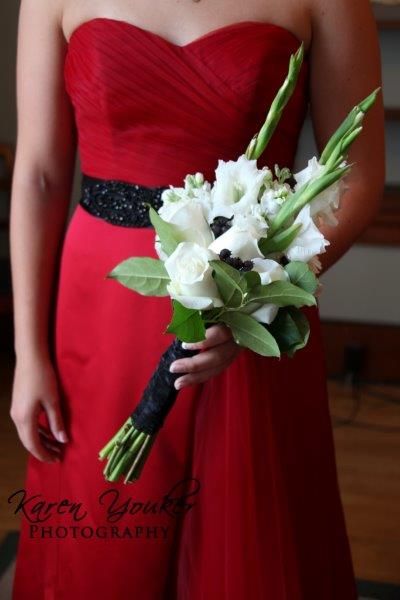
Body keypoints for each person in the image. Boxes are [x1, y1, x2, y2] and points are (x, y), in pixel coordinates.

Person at [9, 0, 385, 598]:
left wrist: (252, 304)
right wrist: (27, 354)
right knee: (101, 537)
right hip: (101, 309)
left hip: (255, 301)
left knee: (247, 537)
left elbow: (359, 176)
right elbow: (39, 177)